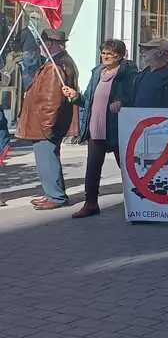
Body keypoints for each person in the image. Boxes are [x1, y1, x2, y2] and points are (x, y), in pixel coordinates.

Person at [62, 39, 137, 219]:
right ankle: (91, 204)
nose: (104, 57)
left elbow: (135, 95)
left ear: (120, 55)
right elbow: (88, 99)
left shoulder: (128, 73)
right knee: (93, 168)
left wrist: (123, 103)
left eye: (109, 54)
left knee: (127, 168)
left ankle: (137, 203)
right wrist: (75, 96)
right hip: (96, 127)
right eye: (103, 53)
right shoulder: (97, 72)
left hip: (117, 127)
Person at [17, 29, 79, 210]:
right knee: (47, 159)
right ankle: (51, 193)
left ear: (49, 44)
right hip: (49, 123)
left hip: (46, 125)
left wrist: (46, 126)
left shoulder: (55, 65)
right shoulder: (61, 61)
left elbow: (51, 101)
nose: (40, 47)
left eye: (43, 43)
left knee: (47, 160)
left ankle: (56, 196)